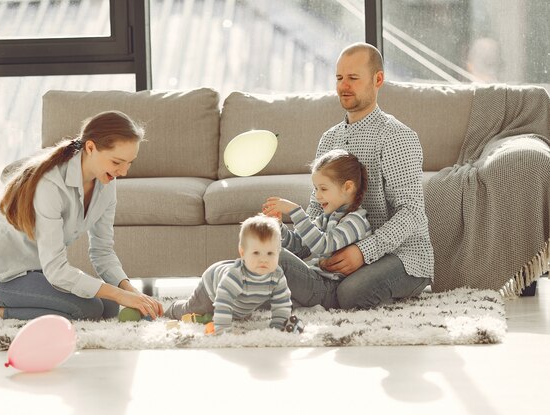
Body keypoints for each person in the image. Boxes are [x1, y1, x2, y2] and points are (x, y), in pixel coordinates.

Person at [268, 42, 434, 310]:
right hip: (337, 250)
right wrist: (281, 236)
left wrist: (363, 252)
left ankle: (313, 291)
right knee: (264, 254)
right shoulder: (329, 139)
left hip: (404, 257)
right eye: (339, 78)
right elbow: (316, 211)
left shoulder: (397, 137)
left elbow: (412, 212)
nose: (344, 85)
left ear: (377, 79)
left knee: (350, 293)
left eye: (353, 78)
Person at [0, 110, 164, 321]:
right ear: (90, 147)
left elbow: (102, 251)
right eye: (116, 162)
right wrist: (119, 293)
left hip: (36, 270)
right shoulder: (50, 185)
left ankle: (21, 301)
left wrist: (130, 292)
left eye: (129, 163)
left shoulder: (106, 184)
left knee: (110, 307)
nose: (123, 172)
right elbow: (57, 271)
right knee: (88, 310)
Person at [263, 149, 372, 307]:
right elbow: (298, 245)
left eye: (323, 189)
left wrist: (295, 211)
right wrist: (278, 226)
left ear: (348, 187)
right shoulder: (327, 217)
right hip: (316, 281)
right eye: (315, 189)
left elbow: (323, 245)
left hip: (329, 289)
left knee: (276, 256)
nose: (317, 195)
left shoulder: (356, 221)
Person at [164, 214, 292, 334]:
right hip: (211, 288)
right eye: (256, 253)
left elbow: (282, 303)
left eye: (270, 253)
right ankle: (173, 308)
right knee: (191, 310)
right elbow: (223, 302)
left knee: (239, 314)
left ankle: (237, 312)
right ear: (242, 253)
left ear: (278, 252)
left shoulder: (277, 275)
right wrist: (223, 331)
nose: (263, 259)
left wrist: (279, 326)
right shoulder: (236, 276)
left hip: (240, 300)